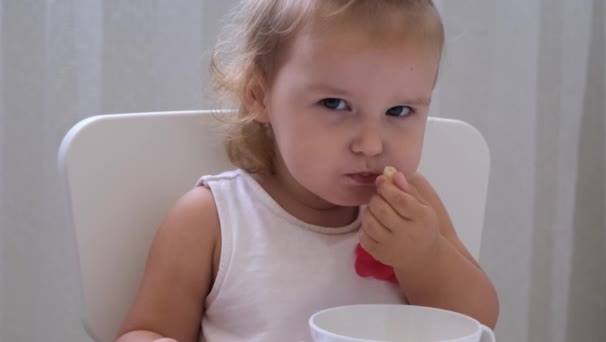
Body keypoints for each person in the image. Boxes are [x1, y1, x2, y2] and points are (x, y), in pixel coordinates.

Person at [116, 0, 499, 341]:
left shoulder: (415, 206)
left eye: (399, 112)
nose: (371, 143)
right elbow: (147, 331)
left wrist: (424, 256)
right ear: (259, 96)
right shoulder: (211, 219)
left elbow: (480, 320)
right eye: (335, 104)